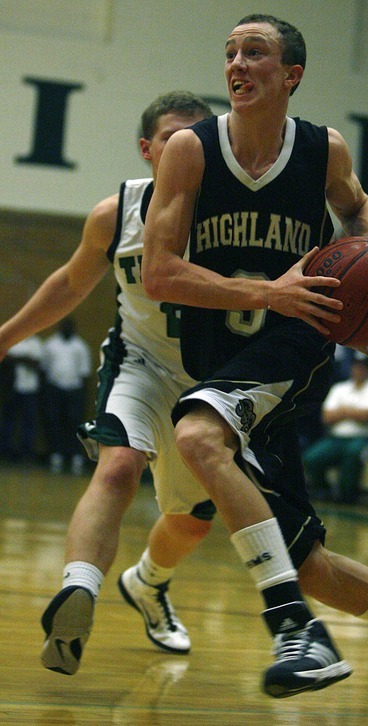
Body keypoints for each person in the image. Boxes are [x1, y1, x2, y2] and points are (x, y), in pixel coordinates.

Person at [141, 14, 368, 712]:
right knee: (305, 558)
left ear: (290, 75)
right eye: (229, 51)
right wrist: (270, 290)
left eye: (254, 52)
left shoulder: (323, 150)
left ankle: (293, 629)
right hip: (225, 355)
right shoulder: (190, 153)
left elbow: (360, 213)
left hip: (294, 345)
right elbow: (160, 276)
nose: (237, 63)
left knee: (198, 435)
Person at [0, 91, 217, 676]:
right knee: (118, 465)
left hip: (210, 381)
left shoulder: (232, 216)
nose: (187, 149)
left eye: (198, 139)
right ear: (148, 150)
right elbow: (71, 285)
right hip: (139, 363)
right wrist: (6, 336)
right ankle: (79, 594)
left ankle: (148, 583)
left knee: (191, 519)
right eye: (174, 139)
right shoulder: (115, 212)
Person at [302, 355, 368, 503]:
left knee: (353, 453)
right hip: (337, 438)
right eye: (356, 367)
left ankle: (346, 496)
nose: (358, 370)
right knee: (311, 457)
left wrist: (342, 411)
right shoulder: (339, 388)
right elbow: (326, 417)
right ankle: (323, 491)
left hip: (366, 438)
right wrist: (353, 412)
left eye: (362, 367)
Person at [41, 317, 92, 474]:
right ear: (60, 327)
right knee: (54, 422)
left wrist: (82, 395)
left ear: (73, 328)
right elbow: (44, 369)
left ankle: (76, 456)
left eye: (70, 326)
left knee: (74, 423)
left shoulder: (80, 346)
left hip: (74, 390)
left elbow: (85, 373)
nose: (67, 328)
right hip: (54, 389)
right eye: (64, 326)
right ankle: (56, 455)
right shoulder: (50, 344)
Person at [0, 334, 44, 462]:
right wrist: (25, 359)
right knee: (8, 421)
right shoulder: (12, 340)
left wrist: (16, 358)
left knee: (29, 422)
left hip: (30, 389)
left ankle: (26, 452)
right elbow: (5, 360)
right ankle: (5, 451)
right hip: (12, 388)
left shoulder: (36, 343)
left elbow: (37, 364)